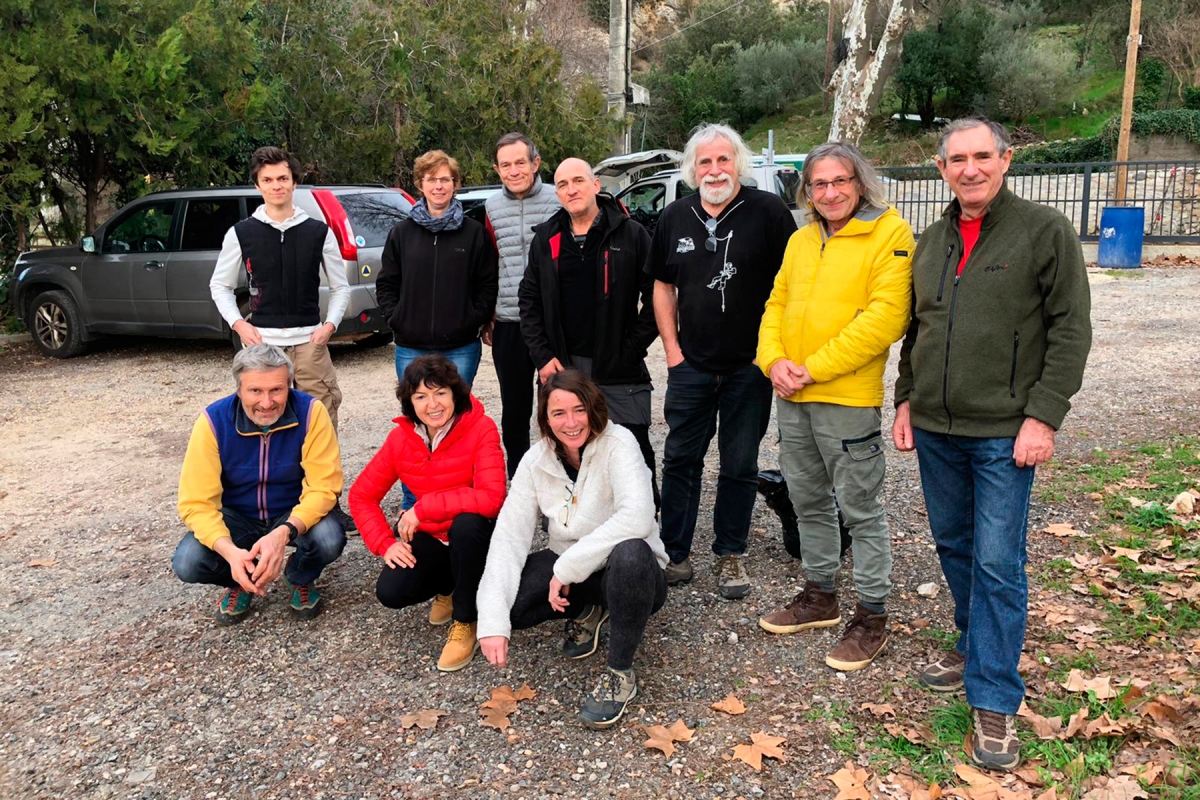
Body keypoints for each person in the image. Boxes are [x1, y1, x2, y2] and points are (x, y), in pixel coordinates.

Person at [892, 118, 1092, 771]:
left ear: (1005, 160)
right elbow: (917, 330)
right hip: (937, 431)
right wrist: (904, 399)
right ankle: (975, 640)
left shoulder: (1044, 232)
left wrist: (1044, 416)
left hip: (1005, 433)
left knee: (999, 562)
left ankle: (995, 700)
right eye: (957, 159)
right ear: (941, 168)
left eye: (983, 156)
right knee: (954, 546)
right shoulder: (929, 242)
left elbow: (1069, 331)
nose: (970, 168)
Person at [755, 142, 914, 672]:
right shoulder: (802, 239)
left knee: (861, 509)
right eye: (819, 184)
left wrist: (813, 367)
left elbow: (884, 319)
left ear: (860, 181)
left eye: (839, 181)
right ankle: (819, 594)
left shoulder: (889, 233)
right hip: (792, 396)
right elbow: (775, 303)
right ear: (808, 192)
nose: (830, 192)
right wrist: (773, 361)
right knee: (808, 502)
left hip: (844, 397)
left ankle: (872, 615)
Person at [646, 123, 797, 599]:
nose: (715, 170)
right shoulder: (673, 217)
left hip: (749, 368)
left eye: (723, 160)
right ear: (693, 169)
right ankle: (675, 551)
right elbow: (662, 286)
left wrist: (771, 355)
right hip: (690, 366)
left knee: (740, 462)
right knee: (681, 459)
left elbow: (791, 287)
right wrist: (672, 351)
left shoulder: (769, 213)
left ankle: (730, 552)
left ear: (739, 165)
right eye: (705, 162)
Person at [476, 370, 668, 729]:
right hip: (577, 569)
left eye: (579, 410)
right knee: (514, 606)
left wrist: (566, 569)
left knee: (630, 553)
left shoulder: (620, 442)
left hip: (631, 571)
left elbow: (638, 517)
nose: (571, 422)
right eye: (558, 413)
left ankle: (620, 672)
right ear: (545, 419)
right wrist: (491, 620)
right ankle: (588, 611)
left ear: (593, 408)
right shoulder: (535, 461)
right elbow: (508, 539)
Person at [209, 146, 356, 532]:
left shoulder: (316, 230)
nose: (277, 186)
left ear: (294, 181)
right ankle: (262, 506)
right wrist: (240, 325)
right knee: (263, 421)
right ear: (258, 185)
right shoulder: (241, 233)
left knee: (322, 421)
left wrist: (330, 326)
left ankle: (327, 503)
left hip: (310, 343)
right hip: (262, 347)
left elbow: (340, 287)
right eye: (268, 180)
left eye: (283, 178)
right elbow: (220, 286)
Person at [348, 355, 506, 673]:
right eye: (421, 396)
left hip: (479, 538)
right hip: (435, 535)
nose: (432, 404)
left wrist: (422, 508)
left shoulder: (481, 428)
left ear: (455, 394)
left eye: (440, 393)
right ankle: (447, 586)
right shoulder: (401, 439)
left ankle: (467, 620)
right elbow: (361, 496)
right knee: (391, 591)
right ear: (409, 401)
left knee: (466, 525)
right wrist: (384, 543)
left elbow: (492, 498)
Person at [519, 157, 660, 506]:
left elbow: (657, 295)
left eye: (578, 181)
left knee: (633, 450)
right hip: (563, 367)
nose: (571, 189)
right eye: (563, 184)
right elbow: (529, 301)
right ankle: (576, 529)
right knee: (571, 452)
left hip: (619, 365)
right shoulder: (546, 239)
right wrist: (542, 356)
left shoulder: (630, 234)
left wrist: (631, 348)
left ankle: (645, 530)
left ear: (596, 185)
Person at [172, 344, 346, 623]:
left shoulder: (312, 413)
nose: (266, 403)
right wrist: (229, 552)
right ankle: (241, 578)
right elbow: (196, 502)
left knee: (329, 538)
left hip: (291, 512)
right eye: (255, 391)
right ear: (238, 389)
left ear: (289, 385)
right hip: (237, 517)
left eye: (276, 390)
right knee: (188, 562)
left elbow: (324, 487)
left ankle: (298, 576)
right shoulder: (212, 421)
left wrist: (283, 533)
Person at [377, 149, 499, 387]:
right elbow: (387, 283)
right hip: (410, 346)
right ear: (420, 185)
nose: (439, 186)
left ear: (455, 184)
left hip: (460, 346)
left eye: (445, 179)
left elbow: (488, 283)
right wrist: (396, 318)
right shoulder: (402, 233)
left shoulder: (474, 233)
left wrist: (473, 318)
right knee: (416, 411)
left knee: (458, 413)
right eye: (431, 179)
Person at [484, 133, 561, 477]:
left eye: (520, 162)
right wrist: (488, 314)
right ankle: (520, 478)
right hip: (509, 322)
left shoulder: (559, 197)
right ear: (497, 169)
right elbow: (488, 263)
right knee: (515, 410)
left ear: (535, 163)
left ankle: (561, 479)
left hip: (552, 323)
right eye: (505, 165)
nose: (513, 171)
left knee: (556, 406)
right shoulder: (490, 206)